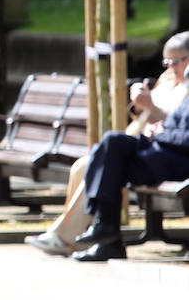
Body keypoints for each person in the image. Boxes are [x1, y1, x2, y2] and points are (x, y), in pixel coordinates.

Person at [27, 32, 189, 257]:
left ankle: (103, 236)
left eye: (176, 62)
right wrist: (151, 120)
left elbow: (180, 131)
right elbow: (170, 122)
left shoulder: (185, 88)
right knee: (110, 145)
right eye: (167, 62)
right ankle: (103, 231)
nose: (171, 68)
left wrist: (161, 130)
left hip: (174, 156)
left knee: (108, 161)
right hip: (157, 147)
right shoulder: (169, 82)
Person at [70, 78, 189, 262]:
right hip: (162, 148)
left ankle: (107, 237)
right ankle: (103, 227)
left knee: (114, 165)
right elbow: (174, 123)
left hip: (177, 159)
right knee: (112, 142)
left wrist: (163, 133)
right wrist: (160, 128)